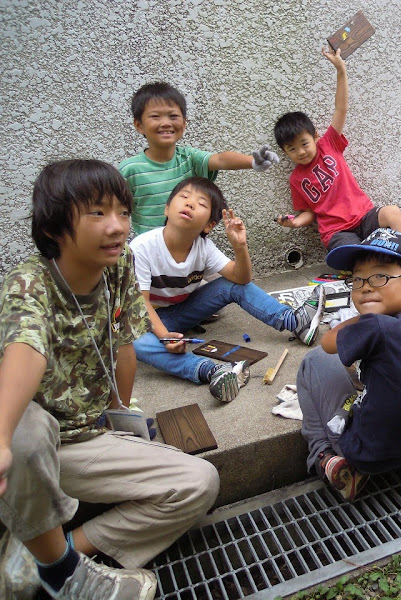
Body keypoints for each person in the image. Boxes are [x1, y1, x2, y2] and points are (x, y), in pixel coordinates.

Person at [0, 159, 220, 599]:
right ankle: (60, 570)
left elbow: (123, 344)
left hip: (84, 440)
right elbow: (26, 350)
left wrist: (122, 410)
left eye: (122, 212)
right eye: (98, 213)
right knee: (28, 428)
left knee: (200, 481)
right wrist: (2, 439)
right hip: (25, 453)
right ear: (54, 226)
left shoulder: (119, 267)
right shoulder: (30, 282)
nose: (117, 226)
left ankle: (53, 554)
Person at [130, 177, 325, 402]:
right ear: (167, 208)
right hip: (143, 319)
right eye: (183, 197)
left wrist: (240, 246)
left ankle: (294, 321)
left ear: (209, 225)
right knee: (135, 342)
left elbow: (241, 279)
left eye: (201, 204)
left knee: (229, 285)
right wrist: (165, 337)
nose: (190, 203)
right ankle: (213, 371)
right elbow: (141, 304)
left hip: (179, 312)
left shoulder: (204, 247)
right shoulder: (142, 247)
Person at [296, 228, 401, 502]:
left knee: (312, 361)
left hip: (365, 452)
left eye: (380, 276)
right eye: (357, 279)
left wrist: (362, 315)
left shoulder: (372, 325)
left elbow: (328, 344)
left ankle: (327, 458)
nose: (365, 287)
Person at [273, 48, 401, 252]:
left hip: (364, 216)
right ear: (285, 153)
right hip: (336, 232)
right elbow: (309, 213)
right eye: (292, 149)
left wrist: (341, 70)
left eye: (304, 143)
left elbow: (341, 108)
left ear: (316, 137)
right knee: (353, 251)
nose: (300, 152)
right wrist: (295, 222)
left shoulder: (328, 144)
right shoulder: (296, 179)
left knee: (392, 213)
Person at [119, 81, 280, 235]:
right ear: (139, 125)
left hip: (188, 244)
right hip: (149, 249)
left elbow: (220, 160)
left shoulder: (189, 158)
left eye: (173, 116)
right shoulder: (130, 170)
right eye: (155, 116)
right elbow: (116, 210)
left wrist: (251, 162)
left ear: (184, 123)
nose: (166, 123)